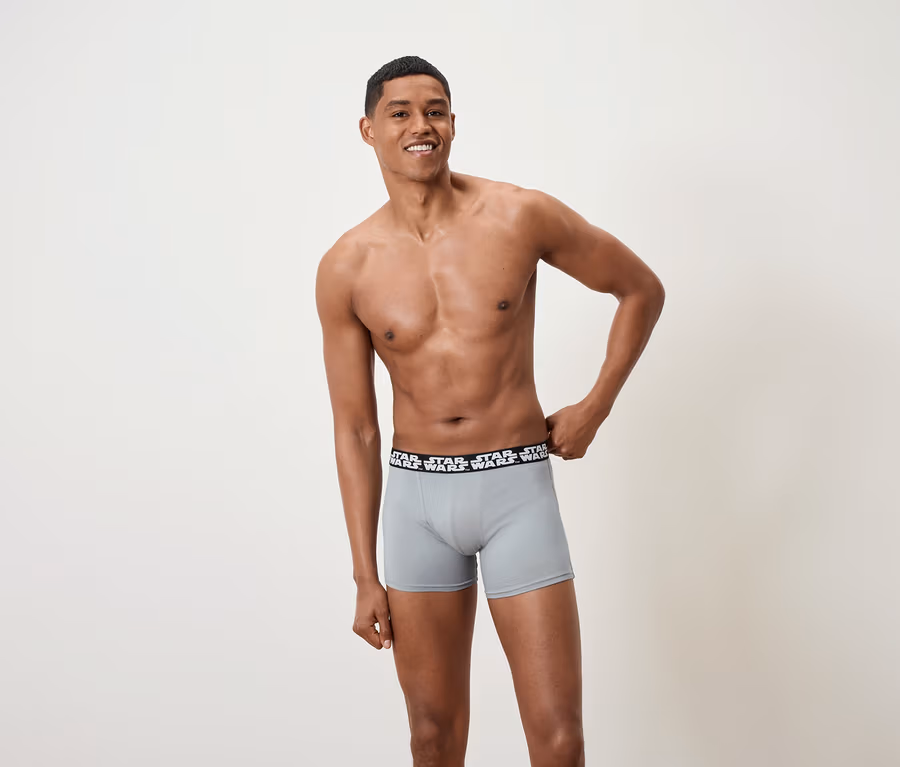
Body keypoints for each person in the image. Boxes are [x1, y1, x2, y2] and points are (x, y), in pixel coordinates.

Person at [315, 55, 665, 767]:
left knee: (559, 738)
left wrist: (595, 407)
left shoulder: (518, 215)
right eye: (400, 112)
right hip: (416, 503)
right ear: (368, 130)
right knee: (432, 737)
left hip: (516, 492)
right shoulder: (347, 266)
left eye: (435, 110)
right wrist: (363, 573)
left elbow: (640, 289)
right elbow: (355, 428)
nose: (421, 125)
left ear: (453, 122)